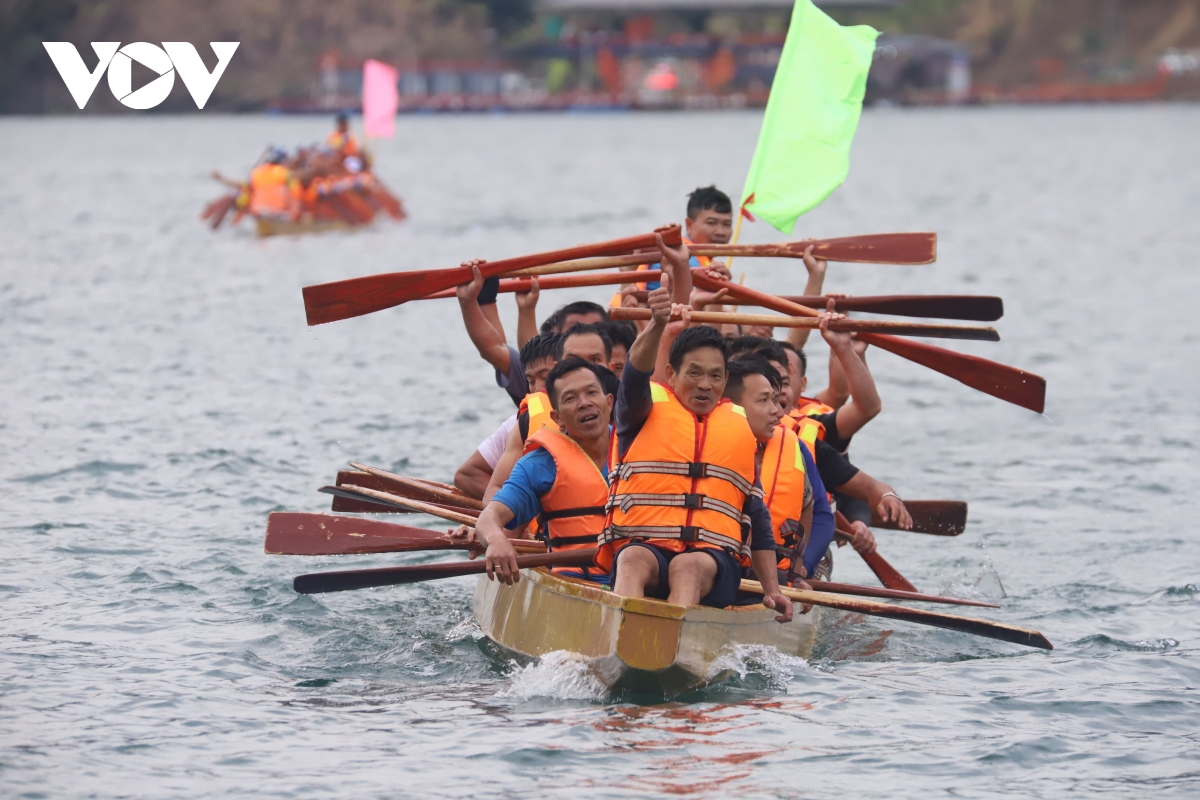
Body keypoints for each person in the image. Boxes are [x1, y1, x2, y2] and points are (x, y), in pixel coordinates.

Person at [599, 242, 793, 621]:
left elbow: (758, 518)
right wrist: (656, 325)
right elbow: (636, 375)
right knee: (633, 558)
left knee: (686, 568)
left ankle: (669, 644)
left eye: (716, 376)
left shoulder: (737, 426)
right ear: (671, 375)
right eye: (694, 373)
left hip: (713, 562)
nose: (705, 384)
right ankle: (617, 635)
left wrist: (773, 591)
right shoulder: (640, 410)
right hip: (647, 547)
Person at [472, 358, 614, 585]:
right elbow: (489, 517)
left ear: (609, 402)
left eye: (591, 393)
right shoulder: (538, 465)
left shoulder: (640, 450)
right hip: (576, 582)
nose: (584, 403)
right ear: (558, 419)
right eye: (570, 398)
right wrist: (497, 539)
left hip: (641, 576)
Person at [477, 323, 620, 504]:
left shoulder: (637, 409)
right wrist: (494, 524)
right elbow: (495, 490)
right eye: (573, 360)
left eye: (595, 360)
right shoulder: (529, 421)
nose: (584, 368)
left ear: (611, 366)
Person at [723, 356, 834, 586]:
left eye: (775, 399)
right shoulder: (707, 447)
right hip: (717, 567)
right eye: (764, 401)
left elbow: (811, 508)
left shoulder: (790, 446)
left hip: (775, 576)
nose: (777, 411)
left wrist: (799, 569)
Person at [452, 332, 560, 498]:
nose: (537, 388)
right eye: (531, 381)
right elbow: (467, 474)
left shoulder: (595, 414)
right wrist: (518, 506)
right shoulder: (520, 423)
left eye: (545, 377)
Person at [248, 148, 297, 218]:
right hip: (278, 211)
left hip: (257, 210)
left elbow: (250, 188)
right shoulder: (283, 171)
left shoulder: (255, 172)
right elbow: (295, 190)